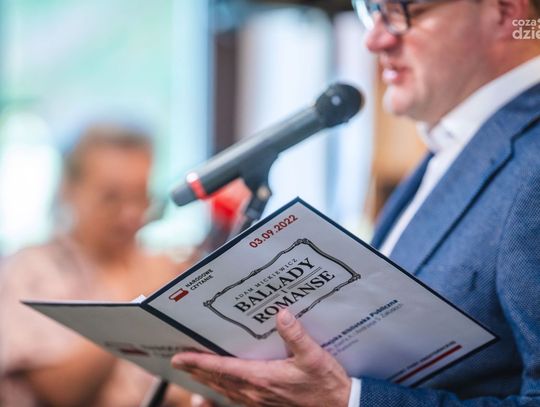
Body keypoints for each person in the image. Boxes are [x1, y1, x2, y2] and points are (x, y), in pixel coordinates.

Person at [170, 0, 540, 405]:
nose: (374, 39)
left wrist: (349, 399)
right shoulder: (453, 147)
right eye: (372, 10)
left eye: (402, 11)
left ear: (505, 13)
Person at [0, 123, 195, 406]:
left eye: (140, 196)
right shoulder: (31, 270)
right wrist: (136, 303)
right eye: (111, 198)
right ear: (68, 189)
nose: (131, 214)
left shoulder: (156, 263)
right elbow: (60, 394)